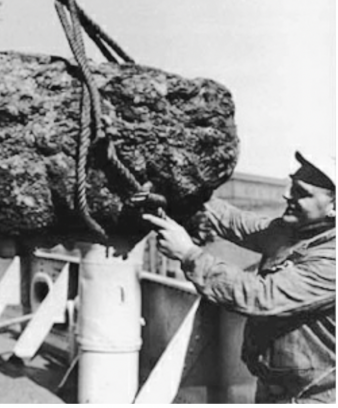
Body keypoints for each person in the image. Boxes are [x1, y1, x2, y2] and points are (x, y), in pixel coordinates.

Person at [143, 151, 336, 404]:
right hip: (273, 387)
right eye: (291, 185)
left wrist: (189, 254)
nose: (287, 195)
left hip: (313, 396)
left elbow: (260, 296)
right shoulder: (292, 232)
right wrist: (182, 190)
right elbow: (234, 221)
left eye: (301, 192)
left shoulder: (331, 260)